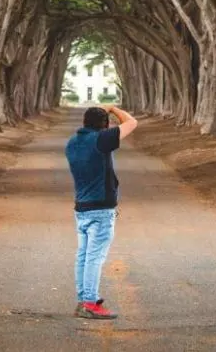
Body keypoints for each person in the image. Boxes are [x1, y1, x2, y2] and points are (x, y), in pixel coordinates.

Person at [65, 104, 138, 320]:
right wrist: (114, 108)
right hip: (101, 209)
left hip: (81, 207)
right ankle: (90, 302)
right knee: (95, 257)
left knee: (84, 256)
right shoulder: (101, 140)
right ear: (105, 125)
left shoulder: (72, 143)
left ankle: (83, 300)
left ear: (84, 122)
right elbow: (132, 123)